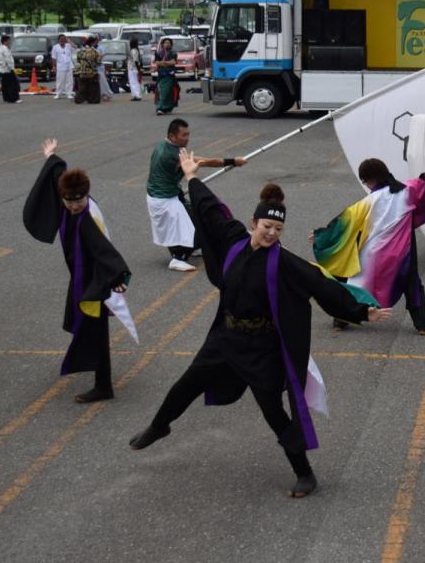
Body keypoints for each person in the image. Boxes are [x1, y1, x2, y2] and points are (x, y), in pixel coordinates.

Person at [128, 159, 392, 499]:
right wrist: (192, 176)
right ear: (253, 223)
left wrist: (360, 311)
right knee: (186, 384)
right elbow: (210, 209)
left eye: (278, 230)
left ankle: (304, 473)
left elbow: (320, 285)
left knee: (274, 413)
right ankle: (159, 425)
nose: (271, 233)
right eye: (266, 226)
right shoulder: (235, 241)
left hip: (260, 349)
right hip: (225, 339)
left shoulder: (283, 263)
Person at [23, 138, 132, 404]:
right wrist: (52, 156)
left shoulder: (87, 221)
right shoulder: (69, 198)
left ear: (87, 194)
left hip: (95, 279)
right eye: (69, 201)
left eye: (79, 200)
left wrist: (118, 278)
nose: (74, 206)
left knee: (94, 329)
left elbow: (105, 251)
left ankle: (103, 385)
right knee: (92, 328)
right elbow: (59, 174)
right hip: (82, 276)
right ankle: (102, 381)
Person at [313, 151, 425, 335]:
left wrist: (321, 236)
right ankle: (422, 325)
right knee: (412, 285)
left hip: (372, 254)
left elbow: (342, 225)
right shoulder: (408, 190)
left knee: (355, 283)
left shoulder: (368, 201)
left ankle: (341, 320)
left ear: (369, 180)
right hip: (402, 252)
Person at [147, 118, 245, 272]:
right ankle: (178, 258)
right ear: (172, 136)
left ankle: (190, 248)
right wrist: (232, 161)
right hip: (164, 199)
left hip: (165, 195)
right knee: (196, 220)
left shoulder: (162, 145)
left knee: (186, 219)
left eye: (188, 134)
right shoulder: (172, 154)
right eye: (183, 135)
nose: (187, 138)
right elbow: (206, 162)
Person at [73, 36, 102, 105]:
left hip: (82, 71)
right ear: (92, 43)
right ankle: (92, 99)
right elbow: (98, 62)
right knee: (93, 87)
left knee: (82, 87)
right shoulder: (95, 51)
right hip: (92, 72)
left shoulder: (81, 51)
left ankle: (79, 99)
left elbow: (78, 60)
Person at [154, 37, 179, 115]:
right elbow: (157, 63)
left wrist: (164, 63)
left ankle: (168, 108)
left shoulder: (173, 53)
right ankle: (160, 108)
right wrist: (166, 63)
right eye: (165, 43)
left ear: (171, 45)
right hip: (161, 75)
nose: (167, 44)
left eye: (169, 43)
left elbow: (173, 62)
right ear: (162, 44)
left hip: (170, 76)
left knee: (170, 92)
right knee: (162, 92)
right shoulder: (158, 53)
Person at [0, 35, 21, 103]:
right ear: (5, 41)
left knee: (5, 85)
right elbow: (8, 59)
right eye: (9, 40)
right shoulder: (5, 49)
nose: (10, 42)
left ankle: (6, 98)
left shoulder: (1, 48)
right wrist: (12, 68)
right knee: (12, 85)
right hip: (8, 70)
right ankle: (13, 99)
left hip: (3, 69)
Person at [51, 34, 74, 100]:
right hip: (60, 66)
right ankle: (58, 93)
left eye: (64, 39)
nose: (63, 40)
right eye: (61, 39)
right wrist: (54, 66)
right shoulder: (55, 47)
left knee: (69, 80)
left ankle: (69, 93)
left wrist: (69, 41)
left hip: (69, 65)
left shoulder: (68, 46)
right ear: (59, 40)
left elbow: (75, 47)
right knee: (60, 80)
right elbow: (54, 58)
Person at [94, 37, 114, 101]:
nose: (95, 42)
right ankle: (98, 94)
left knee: (103, 82)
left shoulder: (100, 47)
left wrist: (98, 60)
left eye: (96, 40)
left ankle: (106, 94)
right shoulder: (91, 48)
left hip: (99, 67)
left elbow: (102, 55)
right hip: (93, 67)